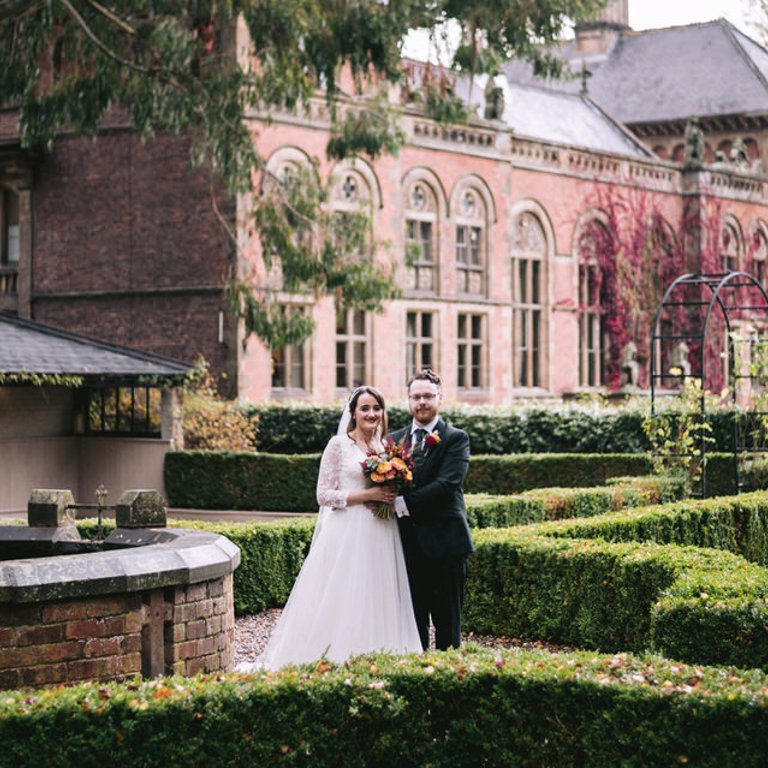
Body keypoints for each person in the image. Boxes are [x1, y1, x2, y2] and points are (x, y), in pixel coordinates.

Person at [253, 386, 422, 670]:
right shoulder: (338, 445)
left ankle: (378, 656)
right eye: (365, 408)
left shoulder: (385, 447)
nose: (371, 413)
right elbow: (324, 495)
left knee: (379, 593)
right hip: (348, 532)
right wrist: (366, 496)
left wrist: (390, 491)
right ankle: (337, 655)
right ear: (353, 413)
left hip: (382, 532)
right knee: (346, 593)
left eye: (376, 408)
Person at [390, 369, 475, 651]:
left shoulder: (456, 438)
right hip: (406, 548)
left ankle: (448, 683)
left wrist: (404, 503)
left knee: (447, 626)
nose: (422, 402)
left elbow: (447, 485)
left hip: (446, 548)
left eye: (428, 396)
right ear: (409, 400)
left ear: (440, 398)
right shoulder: (393, 441)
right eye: (416, 397)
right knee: (412, 628)